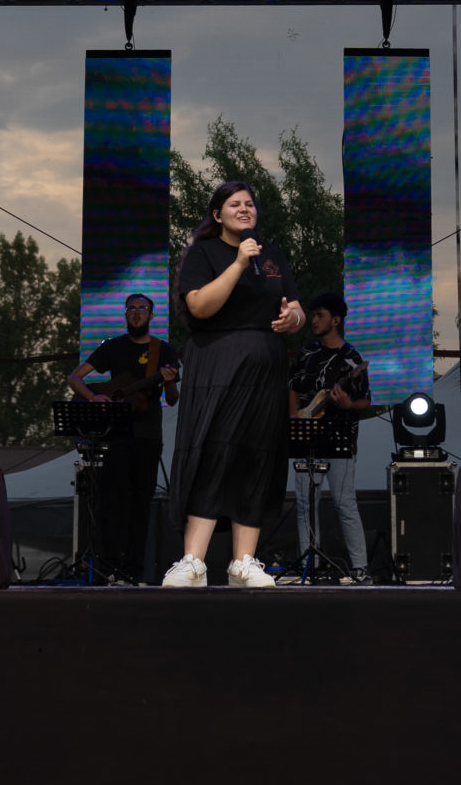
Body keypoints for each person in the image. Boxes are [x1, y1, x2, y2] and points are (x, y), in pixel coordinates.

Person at [162, 180, 303, 589]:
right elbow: (199, 306)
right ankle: (193, 562)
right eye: (235, 204)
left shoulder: (271, 254)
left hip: (265, 367)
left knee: (256, 457)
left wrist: (293, 319)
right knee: (213, 453)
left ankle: (244, 562)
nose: (245, 209)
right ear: (217, 214)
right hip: (218, 365)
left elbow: (296, 307)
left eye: (250, 204)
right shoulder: (204, 253)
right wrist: (239, 263)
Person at [67, 292, 179, 584]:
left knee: (140, 504)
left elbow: (173, 398)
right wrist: (93, 397)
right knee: (111, 503)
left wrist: (169, 383)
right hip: (115, 435)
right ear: (125, 314)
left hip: (148, 436)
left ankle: (133, 571)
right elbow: (74, 378)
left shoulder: (163, 350)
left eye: (142, 308)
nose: (137, 312)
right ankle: (108, 567)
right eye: (132, 308)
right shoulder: (113, 347)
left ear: (151, 315)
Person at [287, 294, 372, 583]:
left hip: (340, 439)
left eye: (320, 315)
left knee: (343, 502)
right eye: (313, 315)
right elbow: (292, 386)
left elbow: (366, 401)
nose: (314, 320)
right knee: (305, 504)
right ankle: (309, 565)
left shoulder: (352, 359)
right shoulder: (307, 353)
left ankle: (360, 567)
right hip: (306, 436)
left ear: (336, 320)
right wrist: (295, 417)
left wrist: (348, 404)